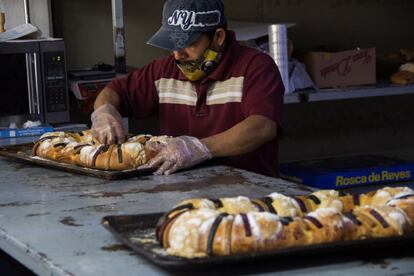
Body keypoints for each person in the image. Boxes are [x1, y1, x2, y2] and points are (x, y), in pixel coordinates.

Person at [91, 0, 284, 177]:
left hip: (248, 192)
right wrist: (104, 111)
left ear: (218, 37)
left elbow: (263, 127)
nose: (178, 55)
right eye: (172, 45)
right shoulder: (163, 71)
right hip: (181, 193)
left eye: (189, 44)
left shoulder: (255, 67)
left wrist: (199, 148)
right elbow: (114, 91)